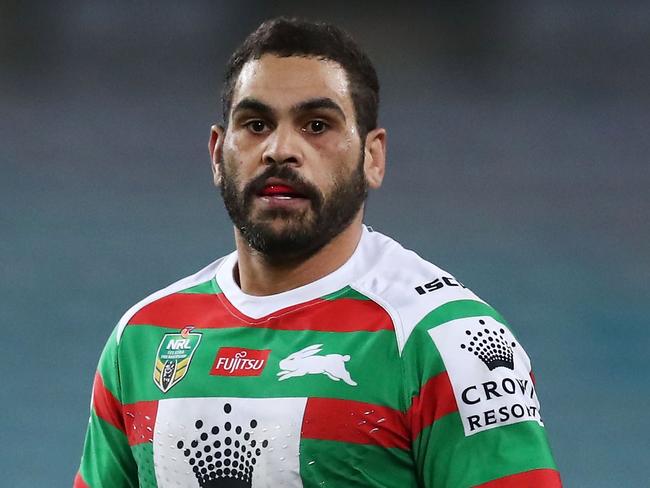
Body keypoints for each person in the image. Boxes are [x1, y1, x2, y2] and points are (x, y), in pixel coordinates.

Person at [74, 17, 561, 488]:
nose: (280, 149)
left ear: (372, 157)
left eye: (316, 125)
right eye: (257, 123)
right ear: (217, 153)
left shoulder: (443, 338)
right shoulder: (142, 338)